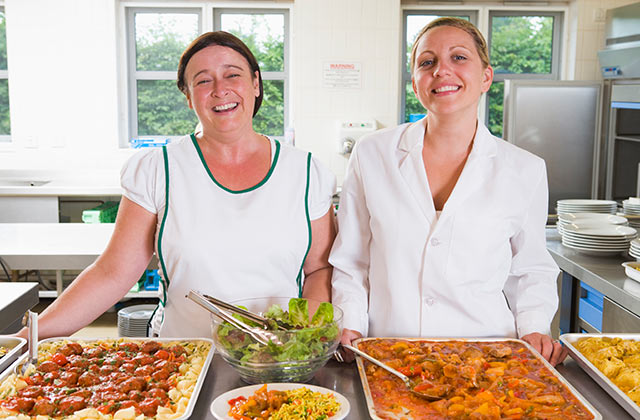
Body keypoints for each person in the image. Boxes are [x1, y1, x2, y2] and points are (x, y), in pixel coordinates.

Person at [17, 31, 337, 339]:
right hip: (185, 359)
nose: (220, 89)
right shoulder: (158, 169)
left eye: (232, 75)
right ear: (188, 97)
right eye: (203, 80)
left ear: (255, 83)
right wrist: (31, 335)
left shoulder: (307, 172)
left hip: (279, 360)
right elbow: (112, 274)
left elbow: (319, 271)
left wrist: (293, 342)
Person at [330, 17, 567, 366]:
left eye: (459, 58)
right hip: (390, 355)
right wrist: (350, 322)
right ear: (415, 82)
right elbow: (352, 259)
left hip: (487, 357)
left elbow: (531, 269)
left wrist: (533, 327)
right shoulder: (372, 153)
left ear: (486, 76)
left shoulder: (524, 169)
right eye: (428, 62)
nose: (442, 71)